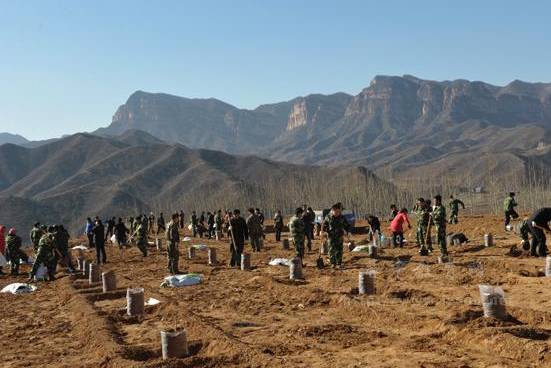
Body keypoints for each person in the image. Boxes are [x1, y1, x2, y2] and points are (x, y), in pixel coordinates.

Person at [322, 203, 351, 269]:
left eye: (338, 211)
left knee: (339, 250)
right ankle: (333, 263)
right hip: (331, 237)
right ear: (332, 210)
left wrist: (348, 231)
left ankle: (339, 263)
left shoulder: (342, 217)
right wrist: (324, 231)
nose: (337, 213)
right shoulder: (328, 217)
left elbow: (347, 225)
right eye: (336, 211)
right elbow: (324, 225)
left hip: (339, 236)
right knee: (331, 250)